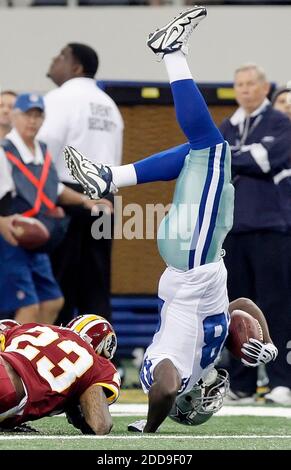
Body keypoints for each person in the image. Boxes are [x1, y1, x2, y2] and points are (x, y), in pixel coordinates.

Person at [63, 7, 278, 432]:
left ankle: (171, 51)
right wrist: (266, 342)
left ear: (188, 399)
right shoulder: (202, 357)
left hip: (193, 257)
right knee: (201, 151)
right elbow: (240, 306)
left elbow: (161, 386)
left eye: (204, 400)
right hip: (194, 255)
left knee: (211, 148)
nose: (212, 395)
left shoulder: (175, 372)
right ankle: (111, 177)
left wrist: (151, 427)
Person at [0, 93, 107, 325]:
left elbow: (54, 188)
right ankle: (14, 359)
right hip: (13, 239)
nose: (33, 121)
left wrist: (85, 200)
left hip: (38, 240)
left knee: (53, 301)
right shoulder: (4, 150)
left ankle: (35, 352)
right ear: (15, 117)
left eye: (38, 116)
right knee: (27, 306)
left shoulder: (42, 151)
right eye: (28, 115)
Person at [38, 43, 123, 328]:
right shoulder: (109, 106)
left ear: (76, 68)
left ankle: (54, 362)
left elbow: (42, 148)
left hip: (66, 195)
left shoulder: (60, 98)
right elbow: (116, 158)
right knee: (97, 288)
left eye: (61, 55)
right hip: (106, 197)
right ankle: (100, 363)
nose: (54, 58)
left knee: (58, 288)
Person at [220, 64, 291, 404]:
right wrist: (243, 158)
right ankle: (242, 383)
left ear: (265, 88)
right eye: (239, 84)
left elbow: (267, 160)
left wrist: (235, 158)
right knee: (236, 307)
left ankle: (281, 380)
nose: (245, 90)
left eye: (251, 84)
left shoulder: (280, 123)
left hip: (271, 228)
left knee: (275, 304)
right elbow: (216, 162)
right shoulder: (228, 125)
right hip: (234, 230)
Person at [0, 315, 120, 433]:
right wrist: (75, 410)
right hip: (8, 391)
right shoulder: (96, 364)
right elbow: (99, 425)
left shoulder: (34, 327)